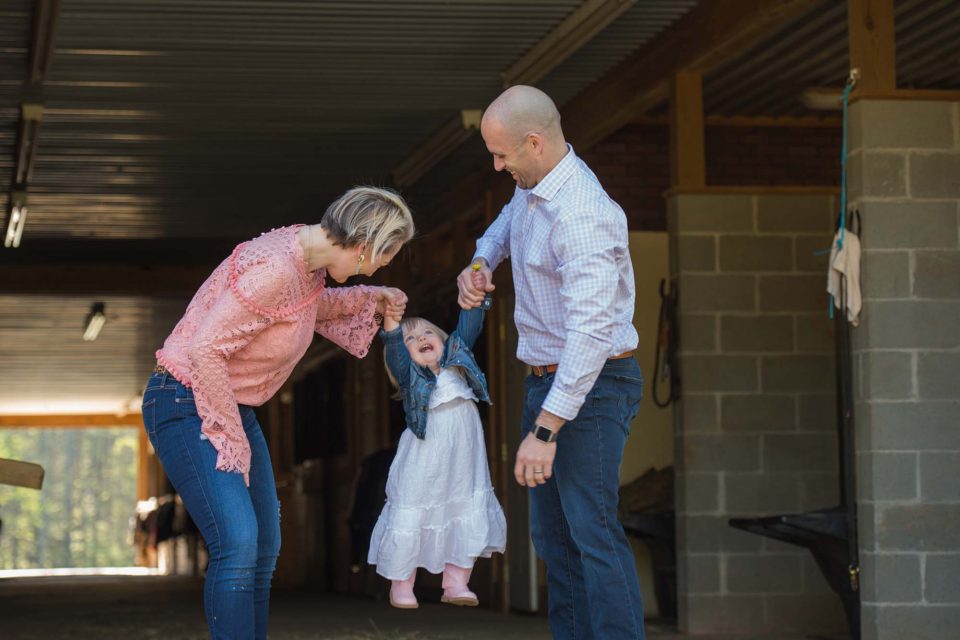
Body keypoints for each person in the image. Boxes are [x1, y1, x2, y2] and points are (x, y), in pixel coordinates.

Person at [141, 186, 415, 640]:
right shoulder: (273, 267)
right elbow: (206, 350)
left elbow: (300, 308)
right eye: (380, 260)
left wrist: (372, 296)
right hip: (185, 400)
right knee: (238, 542)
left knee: (264, 546)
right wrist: (229, 438)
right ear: (364, 244)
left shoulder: (304, 258)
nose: (378, 267)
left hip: (229, 401)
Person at [456, 85, 646, 639]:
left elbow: (590, 334)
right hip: (549, 384)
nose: (497, 166)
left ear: (534, 143)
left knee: (594, 534)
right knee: (556, 541)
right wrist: (479, 263)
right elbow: (504, 228)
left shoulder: (582, 213)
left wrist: (546, 428)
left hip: (590, 386)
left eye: (502, 155)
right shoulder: (535, 186)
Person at [367, 293, 506, 609]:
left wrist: (477, 293)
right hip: (424, 463)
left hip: (463, 465)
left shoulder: (458, 362)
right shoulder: (411, 376)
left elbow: (469, 324)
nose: (421, 338)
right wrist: (391, 322)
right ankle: (401, 584)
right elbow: (394, 348)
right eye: (412, 338)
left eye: (428, 333)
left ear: (445, 341)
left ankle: (456, 583)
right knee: (412, 511)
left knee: (465, 510)